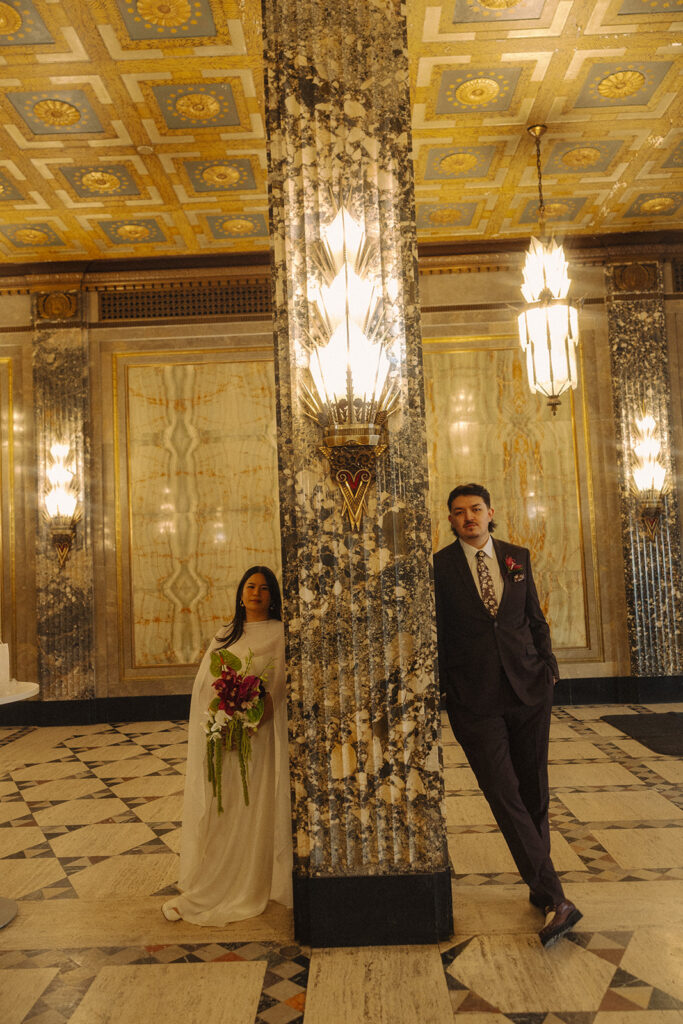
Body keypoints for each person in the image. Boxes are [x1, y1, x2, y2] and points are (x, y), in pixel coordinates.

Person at [433, 483, 582, 948]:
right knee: (504, 794)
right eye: (459, 513)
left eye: (475, 509)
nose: (468, 518)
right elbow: (434, 631)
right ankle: (558, 899)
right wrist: (444, 690)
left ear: (490, 511)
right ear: (452, 520)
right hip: (474, 700)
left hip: (529, 689)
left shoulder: (517, 556)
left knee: (535, 789)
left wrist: (549, 667)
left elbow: (533, 617)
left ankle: (542, 888)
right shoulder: (438, 567)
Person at [162, 565, 293, 924]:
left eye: (265, 589)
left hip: (256, 737)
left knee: (252, 807)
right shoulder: (224, 634)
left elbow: (278, 688)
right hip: (220, 737)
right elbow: (207, 684)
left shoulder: (281, 634)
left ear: (273, 597)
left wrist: (249, 722)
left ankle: (248, 884)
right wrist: (221, 722)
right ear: (240, 593)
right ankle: (213, 880)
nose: (256, 593)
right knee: (222, 808)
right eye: (250, 586)